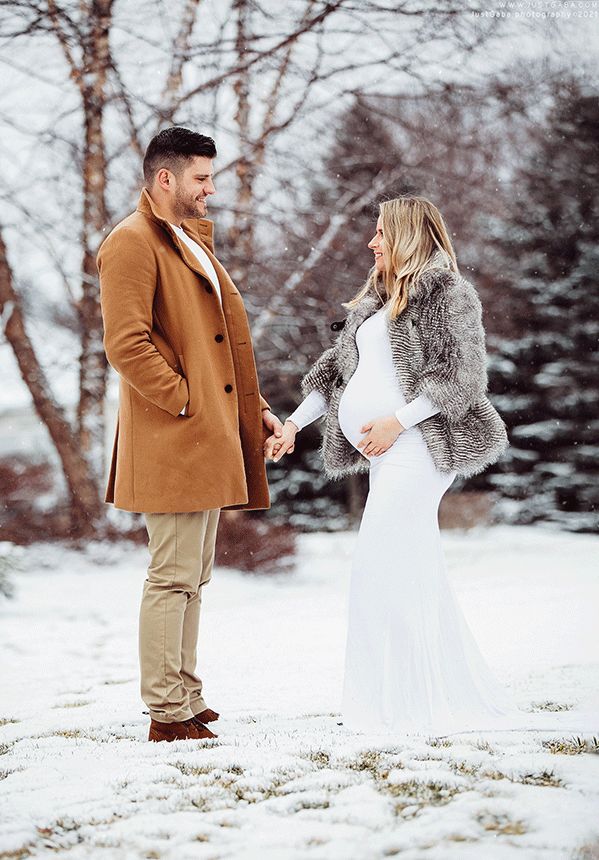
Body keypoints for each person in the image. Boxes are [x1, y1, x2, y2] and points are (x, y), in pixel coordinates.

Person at [264, 195, 596, 738]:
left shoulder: (448, 295)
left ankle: (400, 704)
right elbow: (332, 376)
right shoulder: (373, 302)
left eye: (381, 234)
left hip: (421, 449)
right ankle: (413, 696)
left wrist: (398, 420)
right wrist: (292, 426)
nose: (372, 244)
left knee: (380, 564)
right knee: (410, 568)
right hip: (387, 454)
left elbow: (463, 378)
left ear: (407, 239)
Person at [98, 127, 282, 743]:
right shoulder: (130, 243)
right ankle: (164, 710)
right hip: (174, 440)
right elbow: (126, 343)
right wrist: (185, 403)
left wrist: (250, 410)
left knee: (194, 575)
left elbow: (219, 347)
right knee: (172, 574)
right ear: (165, 178)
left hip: (204, 435)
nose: (212, 188)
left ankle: (185, 691)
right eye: (202, 177)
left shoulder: (186, 240)